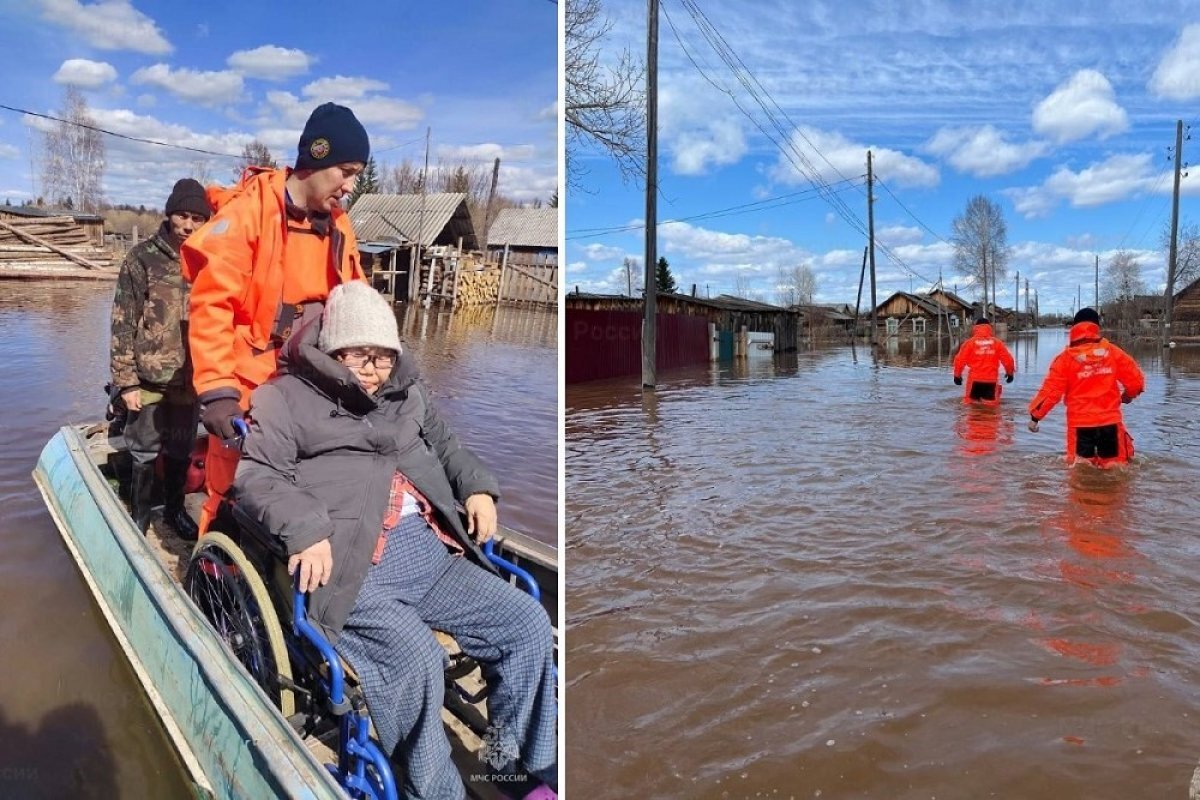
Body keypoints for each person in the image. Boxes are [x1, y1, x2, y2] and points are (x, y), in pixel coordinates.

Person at [234, 282, 557, 800]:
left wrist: (476, 486)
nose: (373, 369)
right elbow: (257, 476)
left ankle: (513, 766)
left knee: (527, 624)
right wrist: (306, 530)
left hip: (430, 551)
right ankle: (434, 790)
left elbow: (447, 444)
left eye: (384, 357)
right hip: (350, 565)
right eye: (360, 355)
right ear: (332, 350)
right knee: (417, 659)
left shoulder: (406, 392)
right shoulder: (284, 399)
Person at [182, 102, 369, 534]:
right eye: (345, 171)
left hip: (311, 384)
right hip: (250, 383)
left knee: (306, 484)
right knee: (233, 487)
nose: (350, 186)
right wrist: (216, 391)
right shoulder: (249, 213)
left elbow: (358, 300)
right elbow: (211, 307)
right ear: (315, 159)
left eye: (357, 174)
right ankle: (216, 577)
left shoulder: (340, 226)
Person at [110, 178, 210, 539]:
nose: (188, 225)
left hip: (193, 378)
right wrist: (126, 382)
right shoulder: (143, 258)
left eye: (197, 218)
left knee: (182, 448)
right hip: (149, 377)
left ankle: (172, 512)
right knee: (143, 451)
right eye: (182, 215)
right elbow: (122, 322)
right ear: (169, 215)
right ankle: (140, 517)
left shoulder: (211, 260)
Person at [1028, 307, 1146, 467]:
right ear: (1097, 327)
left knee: (1080, 472)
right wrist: (1128, 396)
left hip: (1080, 427)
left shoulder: (1065, 359)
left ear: (1074, 328)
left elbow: (1051, 392)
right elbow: (1136, 381)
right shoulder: (1112, 353)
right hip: (1110, 424)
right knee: (1115, 470)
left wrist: (1035, 417)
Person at [952, 317, 1016, 404]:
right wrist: (1010, 373)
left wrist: (957, 376)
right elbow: (1007, 359)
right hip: (991, 381)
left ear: (976, 327)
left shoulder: (969, 343)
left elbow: (959, 360)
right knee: (991, 411)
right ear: (989, 327)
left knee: (971, 408)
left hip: (974, 381)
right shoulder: (997, 343)